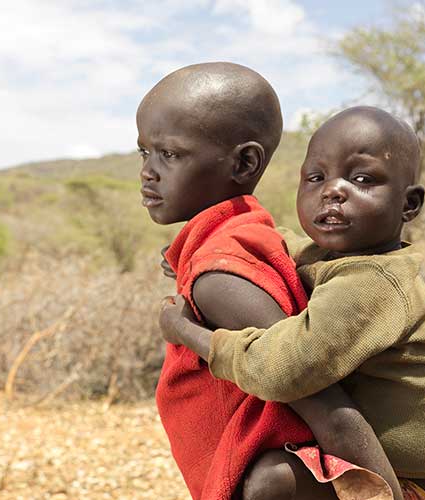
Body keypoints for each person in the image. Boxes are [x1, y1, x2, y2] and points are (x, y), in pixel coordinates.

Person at [159, 106, 425, 500]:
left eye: (362, 179)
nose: (333, 191)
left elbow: (283, 371)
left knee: (272, 482)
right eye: (316, 177)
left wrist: (188, 332)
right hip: (367, 455)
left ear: (409, 204)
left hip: (406, 480)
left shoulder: (374, 283)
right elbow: (278, 243)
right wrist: (199, 249)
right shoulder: (333, 257)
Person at [139, 63, 402, 500]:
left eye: (170, 154)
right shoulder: (243, 238)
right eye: (143, 152)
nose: (149, 171)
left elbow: (326, 406)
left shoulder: (221, 277)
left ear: (245, 162)